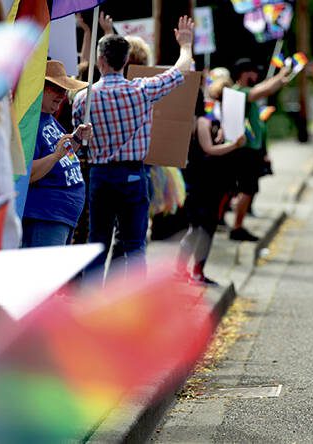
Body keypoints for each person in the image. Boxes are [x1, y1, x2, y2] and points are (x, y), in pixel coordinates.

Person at [74, 17, 198, 283]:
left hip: (99, 176)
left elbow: (79, 142)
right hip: (132, 176)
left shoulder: (83, 99)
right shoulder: (141, 91)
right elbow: (180, 71)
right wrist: (185, 45)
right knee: (135, 247)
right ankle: (130, 310)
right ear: (126, 60)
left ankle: (92, 308)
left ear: (101, 61)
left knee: (97, 243)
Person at [223, 58, 297, 242]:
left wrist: (279, 80)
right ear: (243, 73)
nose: (256, 76)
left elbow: (266, 87)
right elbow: (263, 89)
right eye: (253, 72)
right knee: (246, 190)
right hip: (244, 150)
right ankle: (237, 227)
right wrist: (280, 75)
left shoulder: (246, 92)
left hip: (251, 150)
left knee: (248, 190)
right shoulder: (239, 92)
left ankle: (237, 226)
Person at [181, 82, 247, 285]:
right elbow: (209, 150)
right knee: (204, 228)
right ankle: (196, 272)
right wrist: (233, 145)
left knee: (197, 228)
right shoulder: (202, 121)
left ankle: (182, 270)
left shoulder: (197, 121)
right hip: (206, 183)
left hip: (200, 181)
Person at [24, 60, 90, 248]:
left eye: (64, 90)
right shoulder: (30, 123)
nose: (62, 96)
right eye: (56, 89)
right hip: (47, 215)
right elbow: (27, 173)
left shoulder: (48, 118)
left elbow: (61, 157)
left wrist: (76, 139)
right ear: (40, 88)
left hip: (58, 216)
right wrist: (55, 155)